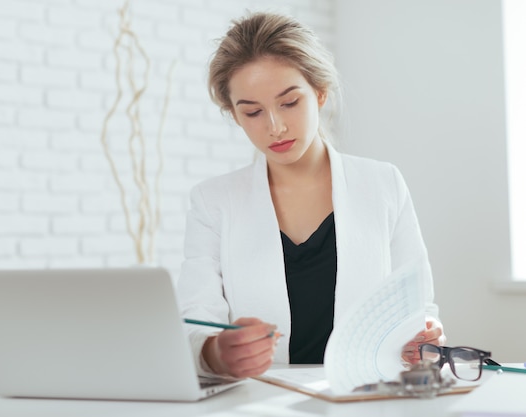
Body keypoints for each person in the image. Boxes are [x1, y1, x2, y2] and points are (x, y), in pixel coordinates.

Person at [176, 12, 446, 379]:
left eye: (289, 103)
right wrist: (216, 353)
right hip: (263, 399)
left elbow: (420, 310)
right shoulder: (213, 202)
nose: (275, 126)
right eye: (252, 112)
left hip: (365, 397)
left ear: (319, 92)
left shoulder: (383, 184)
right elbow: (194, 321)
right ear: (235, 116)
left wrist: (423, 341)